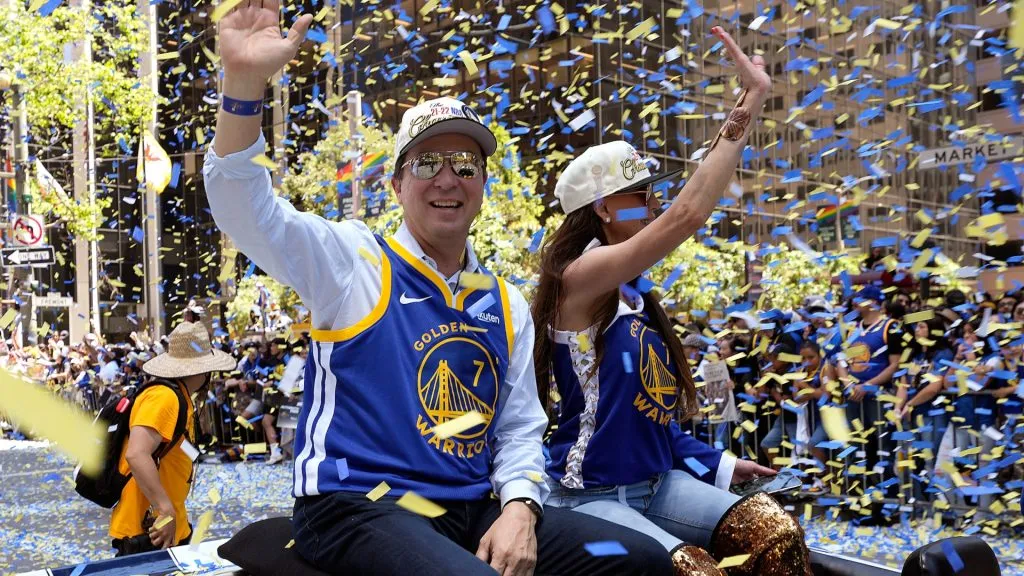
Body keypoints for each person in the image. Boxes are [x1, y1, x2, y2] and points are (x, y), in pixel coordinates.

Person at [203, 3, 673, 575]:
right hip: (362, 503)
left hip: (467, 509)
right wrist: (243, 85)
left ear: (482, 184)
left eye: (464, 164)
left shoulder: (504, 302)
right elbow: (245, 208)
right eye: (427, 163)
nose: (447, 179)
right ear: (397, 183)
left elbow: (519, 428)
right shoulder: (353, 261)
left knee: (638, 558)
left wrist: (520, 507)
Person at [531, 27, 811, 576]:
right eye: (641, 197)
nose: (655, 205)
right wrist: (750, 99)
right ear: (603, 209)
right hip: (588, 498)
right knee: (694, 570)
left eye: (655, 194)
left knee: (775, 533)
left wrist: (722, 465)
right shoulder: (577, 278)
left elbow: (648, 415)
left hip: (659, 485)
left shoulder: (637, 296)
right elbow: (690, 214)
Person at [109, 322, 236, 556]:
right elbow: (136, 454)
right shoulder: (164, 397)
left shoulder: (180, 398)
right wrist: (165, 510)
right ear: (202, 370)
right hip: (149, 530)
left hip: (170, 527)